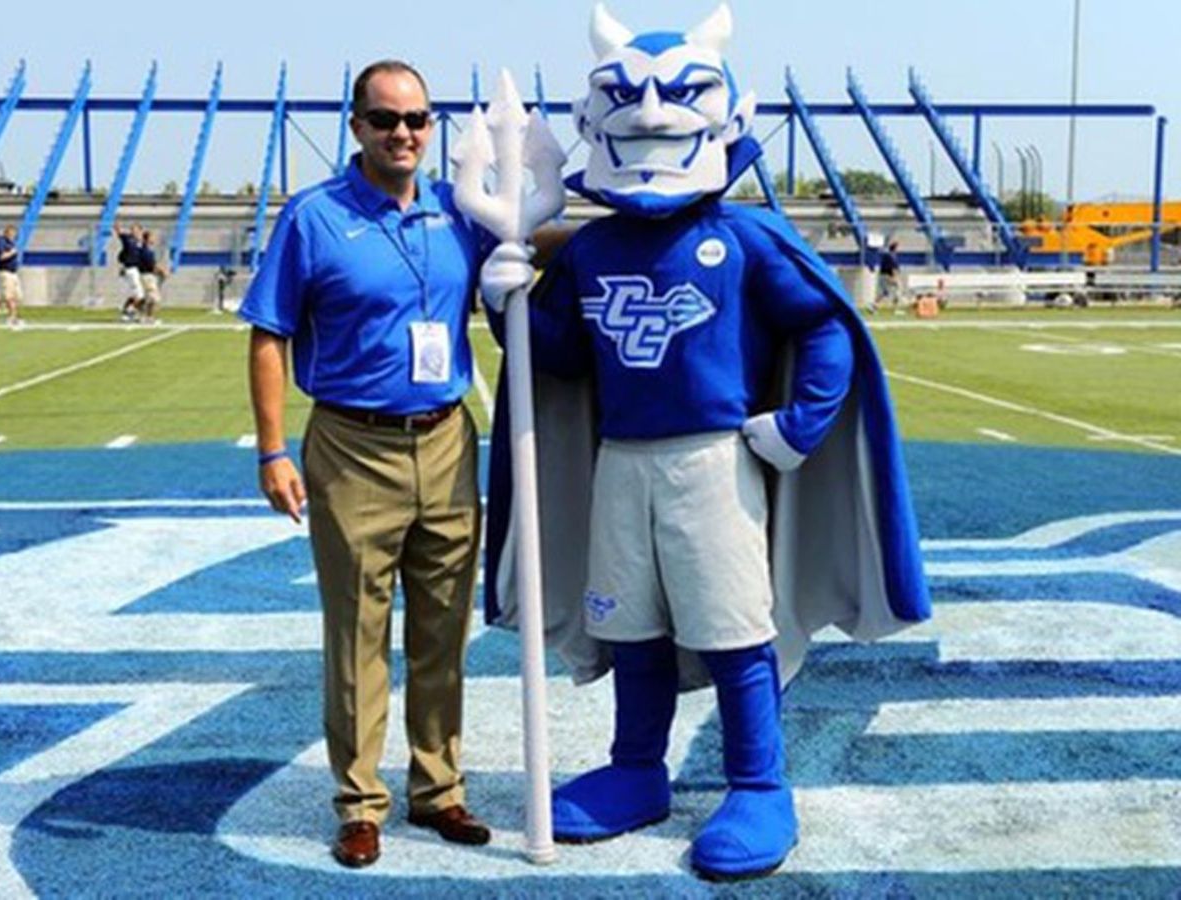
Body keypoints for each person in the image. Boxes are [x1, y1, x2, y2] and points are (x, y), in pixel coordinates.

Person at [481, 3, 929, 882]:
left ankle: (759, 782)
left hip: (715, 463)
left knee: (732, 629)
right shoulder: (591, 247)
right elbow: (564, 359)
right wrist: (511, 306)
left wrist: (800, 425)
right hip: (621, 462)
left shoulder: (744, 236)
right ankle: (637, 767)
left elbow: (826, 326)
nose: (650, 118)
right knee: (633, 627)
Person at [239, 59, 522, 870]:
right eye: (387, 119)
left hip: (445, 437)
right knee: (359, 634)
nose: (404, 133)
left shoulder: (456, 210)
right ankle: (360, 802)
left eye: (417, 119)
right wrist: (271, 450)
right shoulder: (315, 217)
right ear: (356, 125)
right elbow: (268, 334)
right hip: (352, 446)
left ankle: (438, 789)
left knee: (443, 631)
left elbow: (527, 242)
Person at [0, 225, 24, 327]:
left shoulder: (12, 243)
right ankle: (12, 318)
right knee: (9, 297)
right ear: (7, 233)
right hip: (5, 272)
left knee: (15, 296)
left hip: (13, 272)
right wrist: (12, 253)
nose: (13, 235)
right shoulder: (1, 242)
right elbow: (2, 256)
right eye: (12, 233)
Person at [115, 221, 144, 321]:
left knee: (133, 294)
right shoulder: (129, 239)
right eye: (132, 229)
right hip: (130, 269)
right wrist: (117, 227)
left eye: (135, 229)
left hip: (135, 269)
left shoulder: (139, 243)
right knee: (139, 295)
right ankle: (129, 311)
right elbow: (120, 235)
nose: (133, 231)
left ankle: (127, 312)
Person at [137, 230, 165, 324]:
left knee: (148, 298)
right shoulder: (146, 251)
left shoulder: (146, 250)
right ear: (147, 239)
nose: (154, 239)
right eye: (152, 237)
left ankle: (143, 316)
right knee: (155, 299)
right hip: (147, 276)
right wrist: (162, 271)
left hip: (147, 276)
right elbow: (152, 266)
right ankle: (149, 318)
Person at [878, 239, 902, 310]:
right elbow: (893, 268)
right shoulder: (892, 256)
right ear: (895, 248)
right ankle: (895, 307)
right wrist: (894, 277)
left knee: (885, 292)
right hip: (888, 276)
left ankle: (873, 306)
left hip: (882, 276)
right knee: (898, 287)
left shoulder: (886, 255)